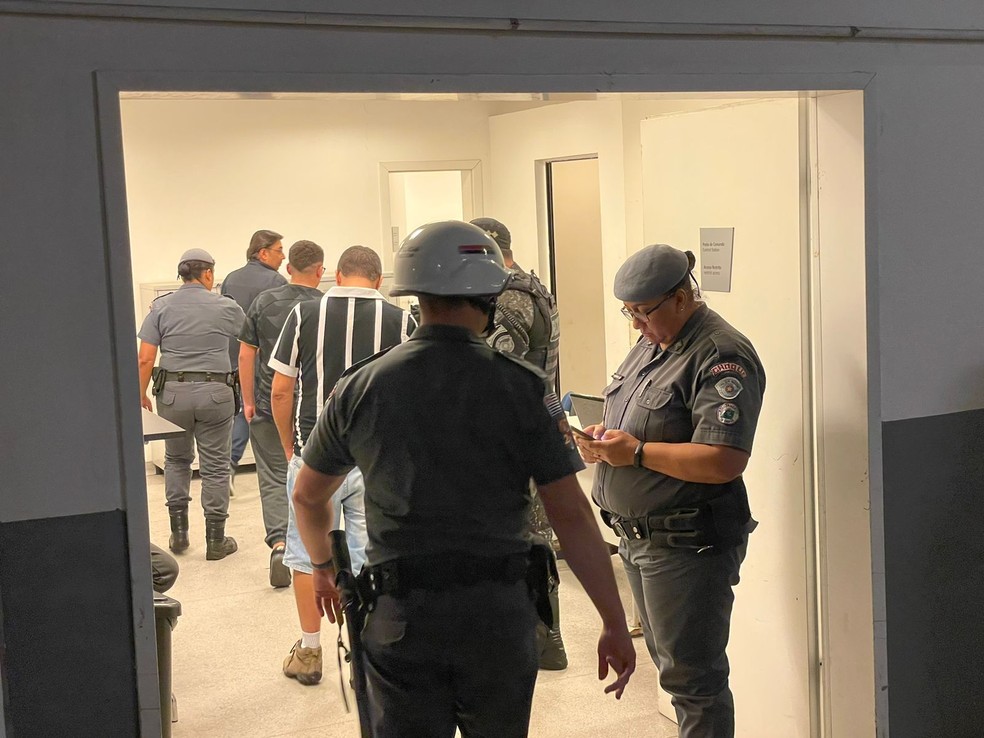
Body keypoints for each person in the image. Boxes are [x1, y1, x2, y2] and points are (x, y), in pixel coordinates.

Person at [291, 220, 635, 737]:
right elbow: (572, 516)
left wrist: (322, 565)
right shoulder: (525, 389)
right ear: (490, 294)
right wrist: (611, 618)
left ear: (413, 293)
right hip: (496, 619)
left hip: (400, 618)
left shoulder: (362, 385)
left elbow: (307, 495)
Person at [575, 244, 765, 738]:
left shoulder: (720, 353)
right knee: (675, 672)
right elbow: (642, 422)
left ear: (682, 298)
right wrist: (604, 439)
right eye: (629, 313)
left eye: (643, 312)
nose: (635, 324)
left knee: (694, 682)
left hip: (686, 542)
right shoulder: (653, 343)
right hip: (639, 540)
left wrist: (635, 453)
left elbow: (724, 459)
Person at [269, 245, 416, 686]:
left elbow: (280, 389)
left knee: (306, 556)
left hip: (316, 456)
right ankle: (369, 650)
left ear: (335, 274)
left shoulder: (303, 315)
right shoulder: (400, 320)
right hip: (377, 462)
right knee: (374, 551)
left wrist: (290, 451)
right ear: (377, 280)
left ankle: (310, 651)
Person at [470, 216, 568, 671]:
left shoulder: (507, 298)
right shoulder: (533, 286)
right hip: (537, 423)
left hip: (512, 437)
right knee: (534, 537)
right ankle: (545, 640)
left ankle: (540, 640)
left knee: (520, 540)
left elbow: (492, 374)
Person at [137, 248, 245, 561]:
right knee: (214, 467)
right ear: (208, 274)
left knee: (176, 460)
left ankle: (179, 534)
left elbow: (146, 357)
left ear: (181, 275)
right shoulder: (225, 306)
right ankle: (216, 540)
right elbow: (251, 340)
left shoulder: (161, 306)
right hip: (215, 393)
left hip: (172, 395)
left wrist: (140, 392)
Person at [238, 240, 326, 588]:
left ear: (288, 268)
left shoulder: (264, 302)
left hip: (267, 403)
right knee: (322, 479)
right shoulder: (325, 306)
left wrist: (247, 401)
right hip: (316, 409)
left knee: (274, 476)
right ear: (320, 270)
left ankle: (278, 543)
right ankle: (317, 550)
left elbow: (246, 355)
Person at [220, 229, 288, 491]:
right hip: (266, 359)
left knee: (239, 412)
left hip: (233, 358)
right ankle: (273, 471)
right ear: (263, 252)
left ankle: (228, 466)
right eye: (279, 250)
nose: (283, 256)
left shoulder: (230, 279)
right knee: (262, 415)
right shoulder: (278, 283)